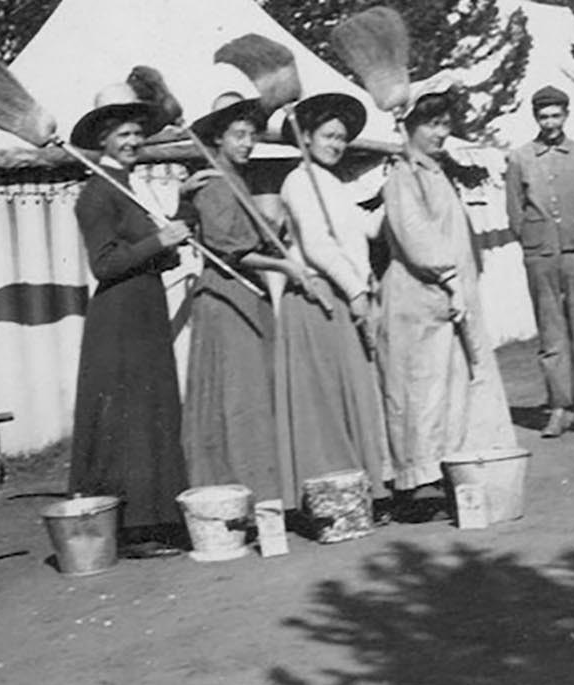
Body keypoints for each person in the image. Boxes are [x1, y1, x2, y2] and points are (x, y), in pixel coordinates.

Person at [68, 79, 192, 557]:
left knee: (153, 412)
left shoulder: (131, 186)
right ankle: (134, 528)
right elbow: (104, 263)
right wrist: (159, 243)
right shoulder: (96, 194)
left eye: (137, 133)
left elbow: (148, 253)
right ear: (102, 139)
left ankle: (158, 516)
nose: (133, 141)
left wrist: (178, 222)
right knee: (130, 419)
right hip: (118, 318)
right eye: (123, 134)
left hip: (145, 310)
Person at [378, 79, 517, 499]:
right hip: (418, 299)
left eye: (445, 123)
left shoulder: (436, 172)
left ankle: (442, 471)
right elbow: (416, 235)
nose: (440, 132)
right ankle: (415, 479)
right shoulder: (403, 175)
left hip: (444, 299)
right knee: (420, 392)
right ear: (410, 127)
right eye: (432, 124)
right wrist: (451, 279)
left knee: (449, 392)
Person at [182, 96, 306, 505]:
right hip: (225, 296)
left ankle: (262, 492)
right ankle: (239, 494)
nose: (248, 142)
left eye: (252, 135)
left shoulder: (236, 179)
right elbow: (229, 249)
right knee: (239, 398)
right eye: (239, 134)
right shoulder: (214, 183)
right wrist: (285, 267)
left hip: (244, 294)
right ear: (218, 137)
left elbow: (248, 236)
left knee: (253, 395)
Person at [275, 92, 390, 504]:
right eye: (328, 136)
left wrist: (398, 187)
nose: (336, 145)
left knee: (351, 390)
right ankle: (331, 491)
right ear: (305, 137)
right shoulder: (299, 180)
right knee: (325, 398)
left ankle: (357, 488)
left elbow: (369, 229)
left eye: (341, 138)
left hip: (341, 299)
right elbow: (319, 245)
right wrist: (356, 289)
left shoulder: (332, 183)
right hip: (317, 300)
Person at [505, 84, 574, 438]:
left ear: (566, 115)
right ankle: (558, 409)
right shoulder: (520, 158)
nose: (549, 122)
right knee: (551, 334)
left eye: (555, 115)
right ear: (536, 118)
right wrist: (531, 239)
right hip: (540, 254)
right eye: (543, 116)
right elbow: (515, 209)